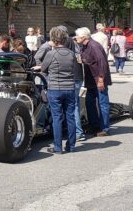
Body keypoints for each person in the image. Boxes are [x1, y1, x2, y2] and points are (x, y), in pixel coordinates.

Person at [32, 26, 78, 154]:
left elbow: (44, 69)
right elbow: (74, 69)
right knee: (70, 117)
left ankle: (58, 147)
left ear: (54, 40)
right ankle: (71, 146)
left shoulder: (51, 54)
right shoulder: (71, 54)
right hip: (70, 88)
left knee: (57, 117)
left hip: (55, 89)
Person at [75, 27, 112, 137]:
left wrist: (101, 79)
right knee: (89, 103)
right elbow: (87, 59)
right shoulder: (85, 46)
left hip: (98, 79)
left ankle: (105, 128)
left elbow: (102, 63)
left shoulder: (94, 46)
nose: (76, 37)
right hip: (90, 80)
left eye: (77, 36)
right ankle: (94, 126)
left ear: (83, 37)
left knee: (103, 103)